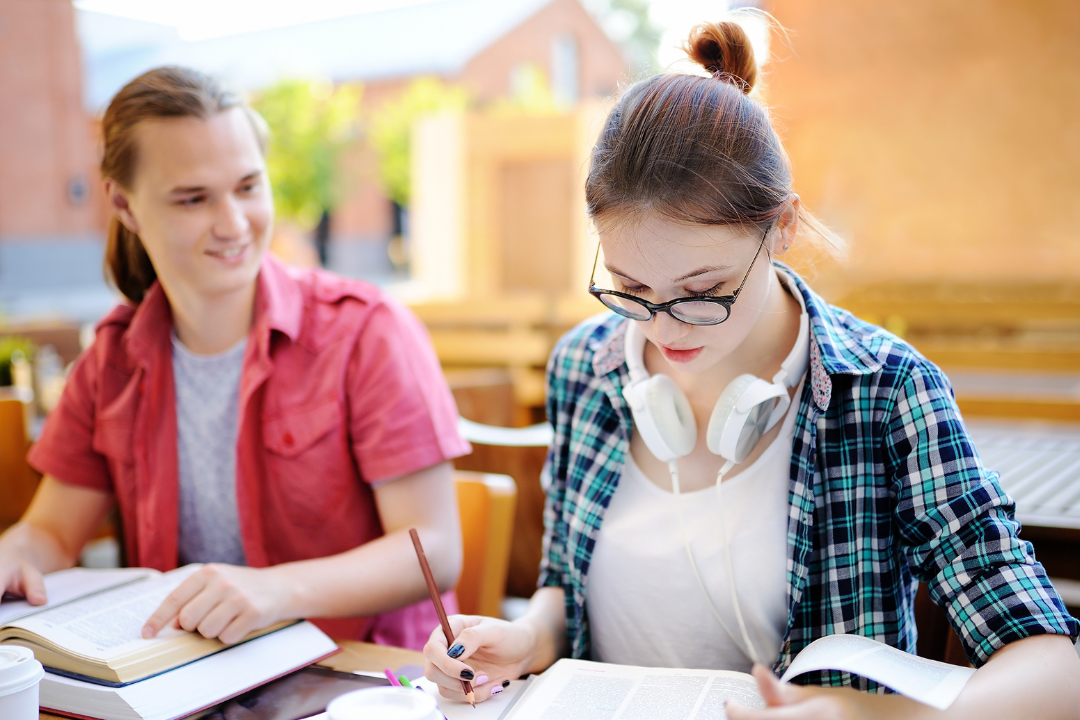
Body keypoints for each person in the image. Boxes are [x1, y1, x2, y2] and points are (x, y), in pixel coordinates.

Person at [422, 18, 1080, 717]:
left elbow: (1051, 670)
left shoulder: (888, 389)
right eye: (630, 287)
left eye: (703, 292)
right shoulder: (586, 366)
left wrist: (869, 717)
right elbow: (564, 585)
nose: (664, 326)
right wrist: (525, 637)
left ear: (785, 227)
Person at [0, 66, 469, 651]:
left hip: (364, 679)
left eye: (248, 186)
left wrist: (276, 591)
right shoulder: (112, 360)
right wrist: (14, 555)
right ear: (124, 204)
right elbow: (49, 531)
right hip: (196, 683)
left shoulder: (366, 331)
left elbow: (434, 548)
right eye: (193, 198)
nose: (233, 223)